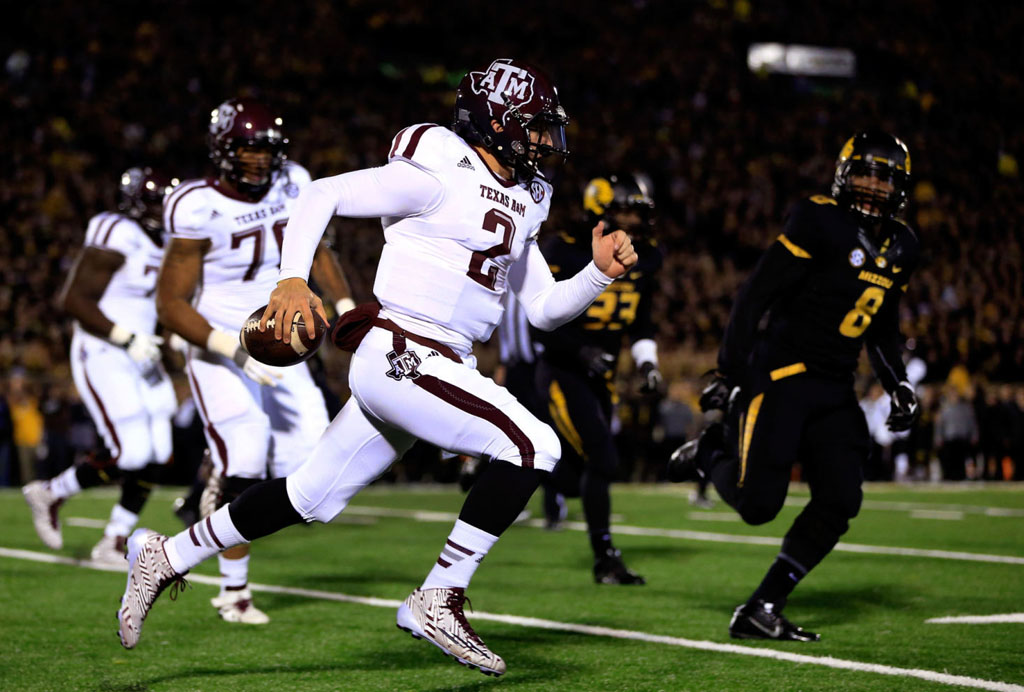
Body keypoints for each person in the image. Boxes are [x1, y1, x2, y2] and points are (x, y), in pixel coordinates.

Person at [117, 58, 637, 677]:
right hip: (405, 348)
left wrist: (598, 273)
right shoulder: (439, 170)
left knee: (309, 495)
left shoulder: (530, 198)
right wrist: (290, 280)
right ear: (495, 123)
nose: (546, 141)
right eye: (534, 127)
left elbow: (545, 310)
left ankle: (165, 556)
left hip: (436, 359)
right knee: (532, 446)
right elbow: (321, 193)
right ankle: (437, 598)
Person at [668, 131, 921, 641]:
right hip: (782, 375)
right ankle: (708, 453)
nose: (873, 184)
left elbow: (883, 326)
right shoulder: (818, 218)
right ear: (845, 173)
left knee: (841, 499)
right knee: (759, 506)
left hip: (835, 386)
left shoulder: (903, 245)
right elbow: (754, 294)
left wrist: (898, 384)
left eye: (885, 176)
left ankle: (763, 606)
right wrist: (729, 372)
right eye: (866, 172)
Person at [155, 98, 354, 624]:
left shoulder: (296, 182)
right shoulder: (194, 204)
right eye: (247, 149)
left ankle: (206, 482)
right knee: (244, 453)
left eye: (266, 150)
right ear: (223, 150)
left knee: (313, 472)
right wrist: (228, 347)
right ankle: (233, 591)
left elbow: (318, 252)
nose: (259, 161)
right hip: (219, 342)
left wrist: (348, 308)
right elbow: (170, 302)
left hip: (280, 339)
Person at [22, 168, 179, 564]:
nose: (164, 212)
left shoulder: (166, 242)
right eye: (157, 203)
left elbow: (153, 304)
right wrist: (126, 337)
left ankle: (112, 540)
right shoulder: (116, 232)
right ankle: (51, 491)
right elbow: (73, 300)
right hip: (105, 350)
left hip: (143, 352)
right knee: (130, 453)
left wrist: (168, 335)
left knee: (160, 451)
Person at [533, 172, 663, 584]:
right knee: (602, 460)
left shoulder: (647, 257)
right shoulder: (563, 251)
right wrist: (579, 349)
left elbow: (641, 320)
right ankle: (605, 557)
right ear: (599, 210)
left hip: (601, 378)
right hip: (562, 370)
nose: (635, 221)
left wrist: (647, 362)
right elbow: (537, 321)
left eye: (638, 212)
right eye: (625, 210)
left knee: (579, 474)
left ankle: (533, 472)